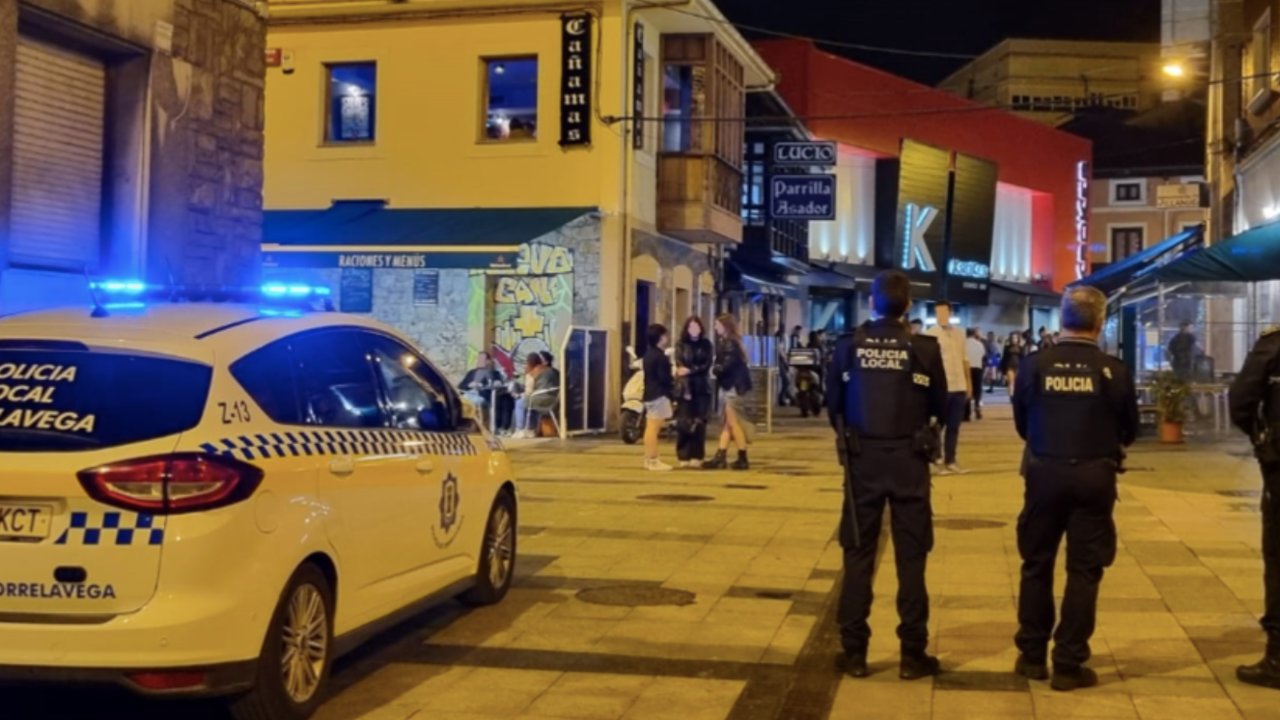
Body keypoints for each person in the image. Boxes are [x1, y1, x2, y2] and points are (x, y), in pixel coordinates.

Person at [1012, 286, 1138, 692]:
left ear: (1062, 320)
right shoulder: (1113, 370)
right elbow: (1130, 427)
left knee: (1036, 563)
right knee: (1084, 570)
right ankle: (1068, 662)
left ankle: (1032, 655)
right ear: (1100, 324)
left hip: (1044, 471)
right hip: (1094, 476)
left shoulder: (1034, 365)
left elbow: (1022, 423)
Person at [827, 270, 948, 681]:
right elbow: (943, 405)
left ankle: (855, 652)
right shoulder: (924, 348)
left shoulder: (848, 347)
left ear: (871, 303)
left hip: (863, 459)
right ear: (909, 305)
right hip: (909, 459)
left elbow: (833, 406)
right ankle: (913, 654)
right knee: (911, 558)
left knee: (858, 554)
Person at [1227, 325, 1280, 690]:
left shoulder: (1273, 345)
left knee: (1279, 554)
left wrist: (1262, 440)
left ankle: (1278, 657)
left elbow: (1241, 401)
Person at [927, 301, 971, 475]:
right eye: (938, 313)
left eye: (944, 313)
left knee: (954, 426)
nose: (941, 316)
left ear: (950, 313)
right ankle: (936, 458)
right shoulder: (930, 334)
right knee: (938, 425)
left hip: (959, 385)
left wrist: (969, 383)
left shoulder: (960, 333)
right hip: (942, 387)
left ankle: (951, 459)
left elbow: (964, 359)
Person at [705, 314, 754, 470]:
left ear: (725, 326)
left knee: (733, 423)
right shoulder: (731, 343)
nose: (714, 327)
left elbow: (724, 367)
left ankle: (742, 456)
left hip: (732, 388)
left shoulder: (729, 344)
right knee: (728, 424)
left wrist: (714, 368)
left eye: (717, 324)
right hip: (733, 387)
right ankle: (721, 455)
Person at [675, 316, 714, 468]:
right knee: (684, 421)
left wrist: (690, 371)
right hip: (685, 388)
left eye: (696, 326)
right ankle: (683, 454)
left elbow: (706, 365)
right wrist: (685, 372)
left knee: (699, 422)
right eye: (690, 327)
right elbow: (679, 364)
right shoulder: (681, 344)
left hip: (702, 387)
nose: (694, 330)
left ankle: (697, 455)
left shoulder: (706, 345)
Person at [641, 324, 675, 471]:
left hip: (649, 394)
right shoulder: (661, 357)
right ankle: (654, 460)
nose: (666, 338)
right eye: (665, 335)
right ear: (660, 338)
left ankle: (648, 458)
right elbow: (664, 378)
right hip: (659, 395)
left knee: (649, 428)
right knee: (653, 430)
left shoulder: (648, 355)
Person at [459, 351, 509, 430]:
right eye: (478, 359)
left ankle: (475, 425)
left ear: (488, 361)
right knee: (460, 402)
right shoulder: (471, 372)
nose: (479, 361)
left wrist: (481, 385)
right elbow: (461, 385)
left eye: (482, 359)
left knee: (474, 402)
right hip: (468, 393)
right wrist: (469, 385)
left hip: (482, 395)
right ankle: (463, 425)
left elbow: (498, 385)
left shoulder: (494, 373)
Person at [964, 328, 986, 421]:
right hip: (978, 367)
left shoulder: (963, 344)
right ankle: (977, 406)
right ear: (974, 334)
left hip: (967, 367)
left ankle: (966, 412)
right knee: (977, 389)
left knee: (968, 389)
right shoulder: (979, 344)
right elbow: (983, 355)